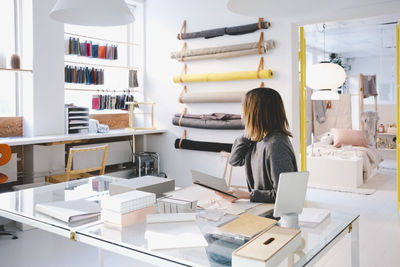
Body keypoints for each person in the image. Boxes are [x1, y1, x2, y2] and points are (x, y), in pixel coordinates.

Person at [228, 87, 297, 203]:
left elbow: (284, 195)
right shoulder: (257, 139)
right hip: (259, 206)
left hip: (272, 214)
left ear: (254, 113)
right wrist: (249, 132)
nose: (242, 114)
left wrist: (245, 195)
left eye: (244, 109)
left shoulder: (276, 145)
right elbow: (234, 160)